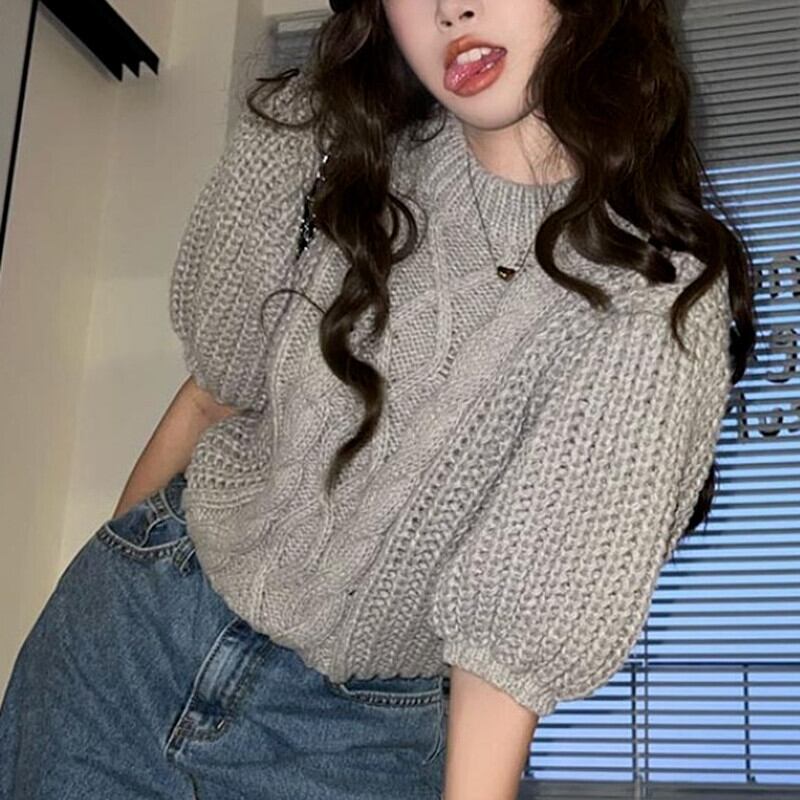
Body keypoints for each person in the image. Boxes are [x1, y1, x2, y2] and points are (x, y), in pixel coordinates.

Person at [0, 0, 755, 798]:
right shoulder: (319, 139)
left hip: (352, 744)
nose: (451, 9)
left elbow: (503, 662)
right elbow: (211, 399)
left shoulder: (654, 297)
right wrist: (113, 578)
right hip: (126, 640)